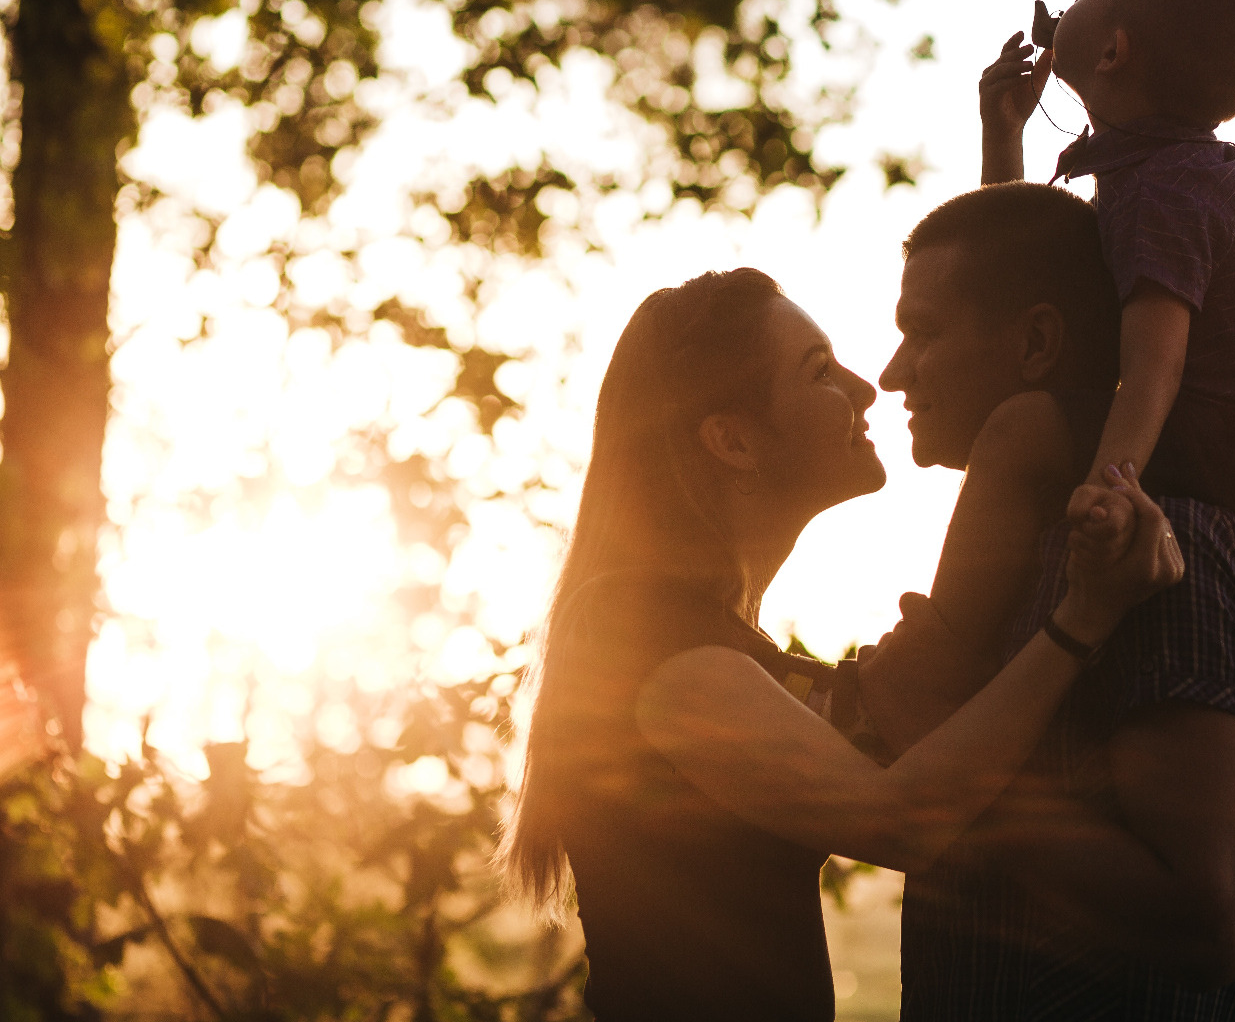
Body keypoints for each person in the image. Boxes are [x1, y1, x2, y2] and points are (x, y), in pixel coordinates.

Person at [499, 267, 1183, 1022]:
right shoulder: (647, 637)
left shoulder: (711, 638)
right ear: (733, 440)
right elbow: (904, 816)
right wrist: (1083, 621)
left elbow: (899, 716)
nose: (865, 389)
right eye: (821, 371)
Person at [852, 182, 1235, 1017]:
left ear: (1038, 343)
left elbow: (1207, 923)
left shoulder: (1163, 550)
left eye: (922, 333)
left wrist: (948, 791)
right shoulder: (1027, 552)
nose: (893, 371)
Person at [915, 0, 1235, 686]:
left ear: (1113, 50)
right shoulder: (1149, 172)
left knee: (1024, 429)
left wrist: (1109, 483)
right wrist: (1005, 136)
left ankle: (934, 662)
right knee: (1040, 408)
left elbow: (1155, 360)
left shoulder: (1166, 189)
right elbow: (1031, 295)